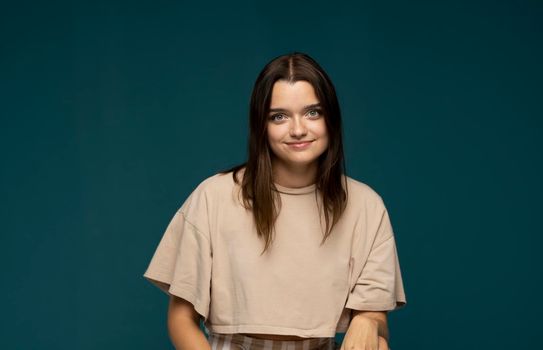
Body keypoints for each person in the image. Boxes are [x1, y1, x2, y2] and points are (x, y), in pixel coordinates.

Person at [143, 52, 407, 350]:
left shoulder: (365, 205)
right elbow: (181, 319)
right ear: (261, 125)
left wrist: (368, 321)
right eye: (279, 116)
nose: (297, 129)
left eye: (313, 112)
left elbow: (374, 313)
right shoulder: (214, 196)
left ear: (331, 118)